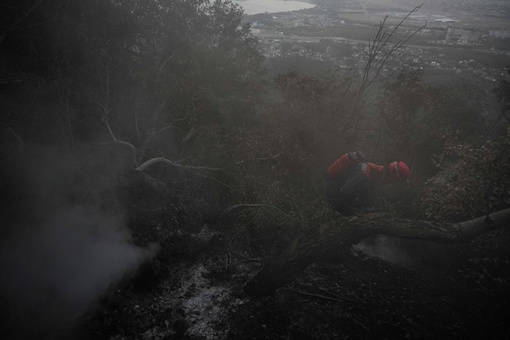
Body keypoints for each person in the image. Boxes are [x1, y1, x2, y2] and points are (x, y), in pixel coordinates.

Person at [324, 151, 410, 216]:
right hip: (333, 197)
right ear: (391, 176)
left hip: (339, 198)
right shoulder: (364, 173)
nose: (391, 183)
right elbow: (345, 190)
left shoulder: (376, 173)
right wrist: (357, 204)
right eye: (393, 181)